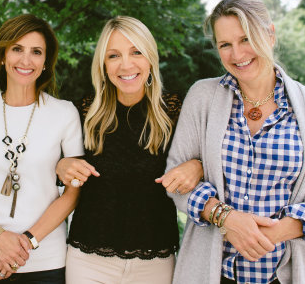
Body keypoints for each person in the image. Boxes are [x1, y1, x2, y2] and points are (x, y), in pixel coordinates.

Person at [162, 0, 305, 284]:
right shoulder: (202, 97)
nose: (237, 55)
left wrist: (271, 234)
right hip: (212, 273)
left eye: (246, 39)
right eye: (225, 44)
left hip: (284, 273)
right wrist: (226, 219)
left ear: (270, 34)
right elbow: (175, 182)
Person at [55, 16, 203, 284]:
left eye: (136, 52)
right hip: (88, 260)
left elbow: (209, 161)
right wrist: (61, 166)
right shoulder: (85, 112)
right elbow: (59, 170)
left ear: (150, 58)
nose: (126, 64)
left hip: (155, 261)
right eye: (114, 55)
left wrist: (198, 166)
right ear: (103, 63)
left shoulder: (176, 111)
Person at [0, 14, 83, 283]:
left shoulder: (64, 113)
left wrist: (26, 243)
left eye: (36, 52)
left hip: (44, 262)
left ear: (46, 62)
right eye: (17, 49)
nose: (26, 60)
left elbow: (72, 192)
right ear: (2, 55)